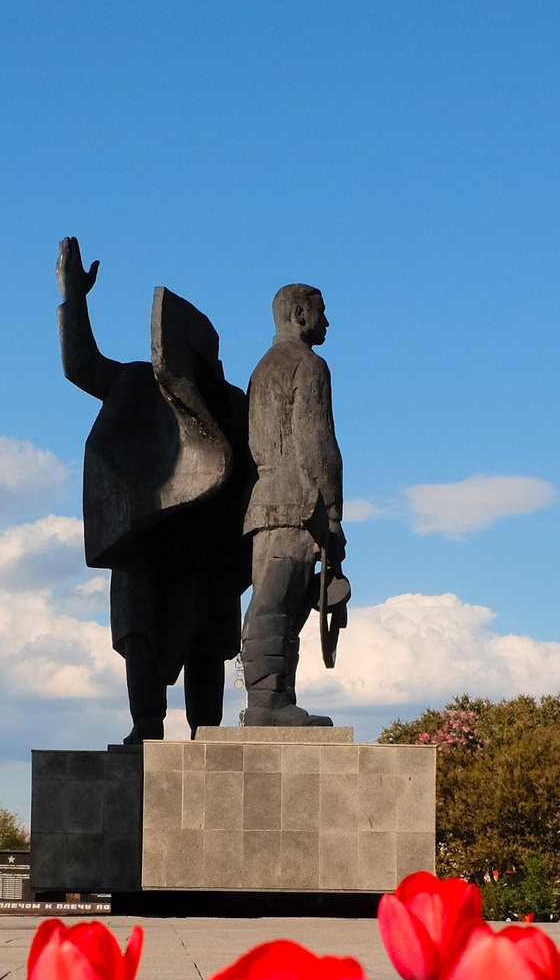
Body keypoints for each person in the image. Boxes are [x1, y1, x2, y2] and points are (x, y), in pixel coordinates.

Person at [56, 238, 253, 742]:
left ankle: (206, 733)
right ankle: (146, 726)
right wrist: (73, 298)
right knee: (140, 631)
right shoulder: (140, 384)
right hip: (145, 538)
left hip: (205, 544)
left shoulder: (230, 403)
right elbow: (81, 366)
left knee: (207, 637)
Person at [238, 283, 348, 725]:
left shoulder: (261, 369)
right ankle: (267, 702)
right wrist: (334, 513)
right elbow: (317, 441)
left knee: (287, 604)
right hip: (299, 503)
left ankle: (278, 700)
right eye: (322, 312)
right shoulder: (309, 364)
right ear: (300, 314)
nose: (327, 322)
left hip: (267, 503)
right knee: (276, 604)